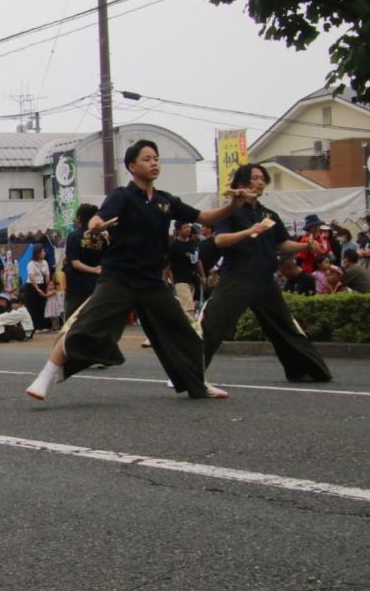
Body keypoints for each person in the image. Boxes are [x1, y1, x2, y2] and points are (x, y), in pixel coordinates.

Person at [25, 139, 251, 402]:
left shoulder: (166, 201)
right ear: (132, 166)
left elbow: (207, 218)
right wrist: (97, 224)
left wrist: (234, 204)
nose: (154, 162)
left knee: (186, 333)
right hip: (119, 279)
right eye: (147, 159)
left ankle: (198, 384)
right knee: (84, 328)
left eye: (156, 158)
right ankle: (45, 376)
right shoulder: (122, 195)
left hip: (152, 283)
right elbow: (100, 217)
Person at [198, 163, 332, 383]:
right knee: (212, 325)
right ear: (242, 183)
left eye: (263, 178)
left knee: (286, 326)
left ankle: (306, 370)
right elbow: (220, 240)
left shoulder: (269, 214)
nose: (260, 182)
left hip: (265, 281)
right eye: (255, 178)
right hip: (237, 278)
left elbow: (283, 244)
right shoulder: (231, 211)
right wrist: (250, 231)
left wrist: (306, 246)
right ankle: (187, 373)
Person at [62, 203, 103, 318]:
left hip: (77, 284)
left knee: (74, 317)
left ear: (78, 218)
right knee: (94, 316)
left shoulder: (74, 236)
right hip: (97, 284)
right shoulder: (101, 237)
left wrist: (93, 270)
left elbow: (75, 263)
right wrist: (96, 270)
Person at [164, 222, 205, 319]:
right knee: (188, 306)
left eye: (189, 227)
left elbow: (198, 261)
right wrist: (165, 280)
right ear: (178, 230)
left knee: (193, 305)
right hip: (180, 280)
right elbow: (167, 266)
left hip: (193, 279)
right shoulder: (173, 247)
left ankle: (181, 325)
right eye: (185, 227)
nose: (188, 229)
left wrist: (203, 275)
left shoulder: (194, 244)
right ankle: (191, 329)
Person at [22, 245, 49, 331]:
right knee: (33, 307)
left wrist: (47, 286)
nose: (44, 253)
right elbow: (31, 276)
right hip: (32, 286)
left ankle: (43, 326)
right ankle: (35, 327)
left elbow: (47, 275)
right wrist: (37, 289)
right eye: (42, 251)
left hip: (42, 284)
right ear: (37, 253)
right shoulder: (31, 263)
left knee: (42, 305)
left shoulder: (45, 262)